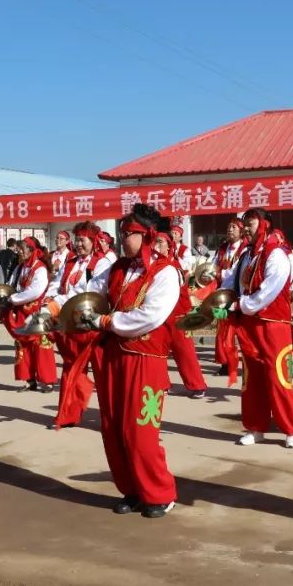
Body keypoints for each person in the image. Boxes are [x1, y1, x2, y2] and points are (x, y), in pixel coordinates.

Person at [81, 204, 181, 518]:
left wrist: (106, 322)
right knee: (112, 428)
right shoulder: (119, 268)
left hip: (145, 359)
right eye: (123, 233)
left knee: (141, 431)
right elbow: (88, 291)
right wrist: (59, 307)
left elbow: (149, 317)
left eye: (130, 234)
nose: (124, 239)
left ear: (148, 235)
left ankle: (160, 493)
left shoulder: (166, 272)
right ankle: (132, 489)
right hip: (113, 358)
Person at [221, 209, 293, 448]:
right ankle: (255, 427)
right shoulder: (247, 254)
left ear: (264, 224)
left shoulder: (276, 254)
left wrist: (239, 305)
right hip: (249, 325)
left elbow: (267, 292)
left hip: (273, 326)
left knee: (279, 377)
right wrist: (219, 300)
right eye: (244, 223)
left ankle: (291, 429)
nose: (246, 227)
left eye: (251, 222)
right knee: (251, 379)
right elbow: (232, 282)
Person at [44, 221, 113, 426]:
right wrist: (49, 298)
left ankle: (111, 417)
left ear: (93, 241)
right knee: (70, 368)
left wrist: (58, 303)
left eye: (82, 240)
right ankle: (68, 414)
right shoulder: (71, 260)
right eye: (77, 239)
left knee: (103, 374)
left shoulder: (102, 263)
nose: (78, 244)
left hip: (93, 326)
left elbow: (91, 292)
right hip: (71, 324)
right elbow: (58, 284)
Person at [153, 233, 208, 398]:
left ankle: (197, 385)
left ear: (169, 246)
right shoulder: (152, 264)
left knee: (185, 352)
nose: (155, 245)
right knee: (158, 352)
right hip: (161, 316)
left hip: (178, 315)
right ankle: (161, 384)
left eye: (159, 242)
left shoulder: (174, 265)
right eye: (154, 242)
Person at [3, 237, 57, 392]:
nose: (19, 250)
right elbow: (12, 283)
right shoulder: (21, 266)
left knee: (41, 346)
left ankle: (47, 381)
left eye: (23, 248)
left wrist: (13, 299)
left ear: (32, 250)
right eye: (19, 248)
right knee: (22, 345)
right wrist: (5, 293)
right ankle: (29, 379)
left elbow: (35, 291)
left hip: (36, 312)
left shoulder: (40, 268)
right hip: (21, 311)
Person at [212, 218, 247, 379]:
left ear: (241, 231)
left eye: (234, 227)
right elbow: (212, 266)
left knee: (244, 333)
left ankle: (247, 364)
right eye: (228, 226)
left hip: (239, 295)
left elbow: (235, 273)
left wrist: (219, 273)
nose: (230, 229)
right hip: (222, 294)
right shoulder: (222, 249)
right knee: (223, 331)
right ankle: (226, 363)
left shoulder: (245, 249)